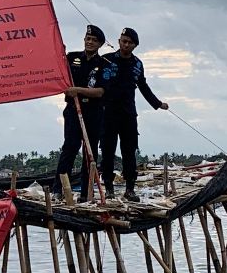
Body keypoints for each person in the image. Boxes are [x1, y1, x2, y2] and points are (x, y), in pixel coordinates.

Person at [101, 27, 168, 202]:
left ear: (135, 45)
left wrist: (157, 103)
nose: (126, 45)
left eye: (130, 43)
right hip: (107, 113)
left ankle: (130, 188)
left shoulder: (137, 64)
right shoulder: (106, 60)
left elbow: (143, 86)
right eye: (124, 41)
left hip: (128, 114)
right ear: (119, 41)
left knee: (129, 151)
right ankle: (108, 187)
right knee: (107, 150)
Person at [51, 24, 116, 200]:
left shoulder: (104, 65)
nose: (90, 42)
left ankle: (86, 193)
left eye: (94, 40)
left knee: (90, 151)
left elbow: (101, 91)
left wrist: (77, 90)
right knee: (70, 148)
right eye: (88, 39)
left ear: (100, 44)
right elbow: (58, 74)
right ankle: (59, 190)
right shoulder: (71, 58)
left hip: (93, 112)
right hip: (73, 110)